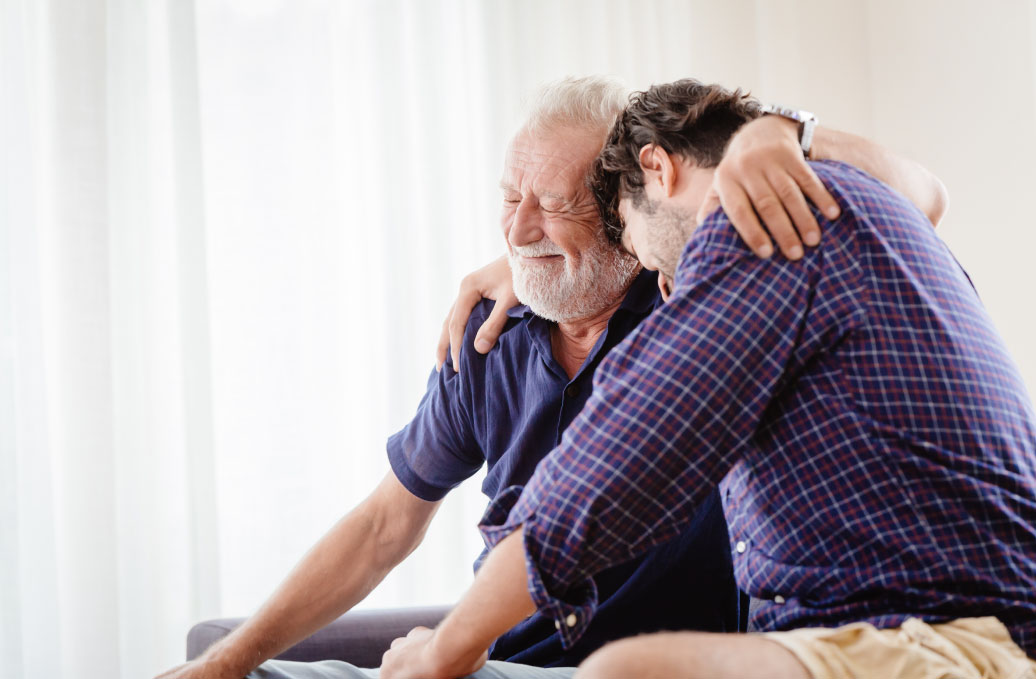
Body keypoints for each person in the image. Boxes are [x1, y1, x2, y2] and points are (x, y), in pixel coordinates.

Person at [158, 76, 948, 679]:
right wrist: (227, 659)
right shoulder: (489, 338)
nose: (517, 226)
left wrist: (782, 135)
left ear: (623, 210)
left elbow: (922, 195)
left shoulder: (695, 298)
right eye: (509, 198)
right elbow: (383, 526)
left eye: (552, 204)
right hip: (495, 663)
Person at [380, 80, 1036, 679]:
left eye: (641, 253)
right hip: (944, 618)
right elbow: (932, 192)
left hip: (943, 637)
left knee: (628, 672)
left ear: (657, 168)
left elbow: (599, 476)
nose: (668, 289)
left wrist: (443, 651)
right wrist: (779, 129)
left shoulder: (749, 225)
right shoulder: (858, 193)